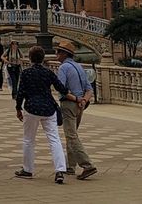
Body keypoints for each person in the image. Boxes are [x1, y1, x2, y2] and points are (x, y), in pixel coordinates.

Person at [15, 45, 69, 184]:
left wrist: (18, 108)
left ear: (30, 58)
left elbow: (20, 93)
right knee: (54, 139)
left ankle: (28, 169)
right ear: (43, 58)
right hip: (48, 108)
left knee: (29, 140)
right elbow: (61, 88)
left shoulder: (26, 73)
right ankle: (60, 170)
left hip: (31, 107)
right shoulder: (48, 72)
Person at [55, 40, 97, 180]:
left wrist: (76, 99)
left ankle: (87, 165)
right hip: (81, 105)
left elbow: (61, 89)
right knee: (71, 135)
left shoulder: (63, 68)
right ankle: (70, 166)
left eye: (58, 52)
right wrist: (83, 100)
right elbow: (89, 89)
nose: (56, 55)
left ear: (64, 54)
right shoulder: (79, 67)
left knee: (72, 136)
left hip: (69, 104)